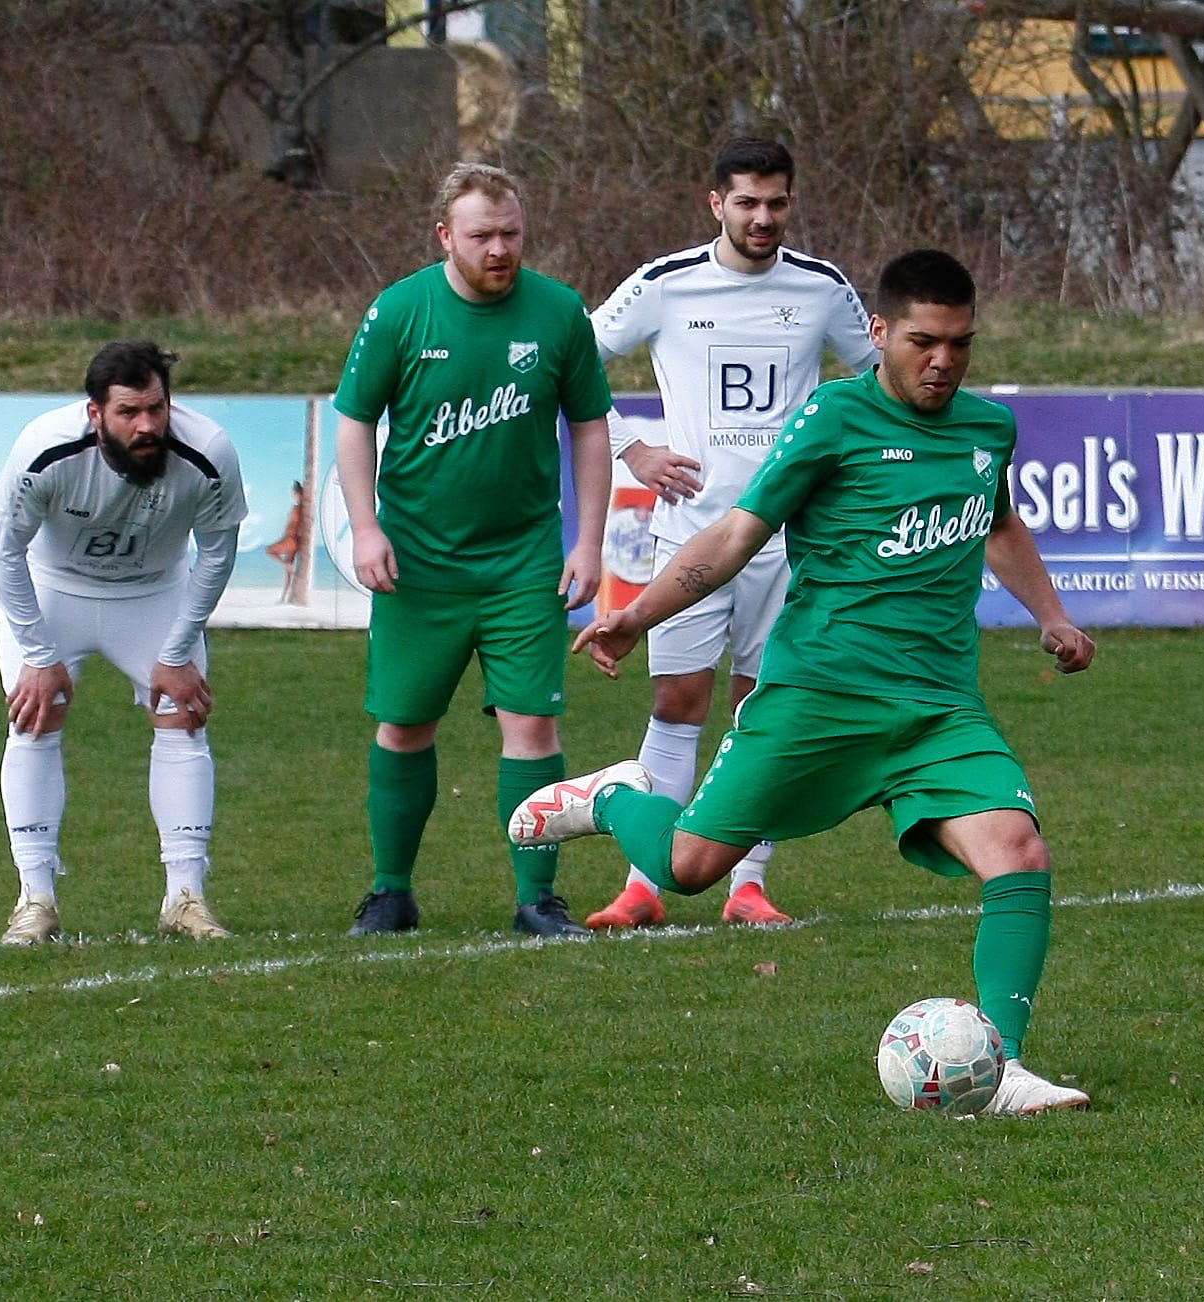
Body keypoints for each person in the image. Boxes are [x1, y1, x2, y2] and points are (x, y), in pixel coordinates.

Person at [511, 250, 1096, 1115]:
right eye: (924, 342)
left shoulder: (985, 428)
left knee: (1019, 853)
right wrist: (636, 616)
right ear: (879, 333)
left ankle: (999, 1064)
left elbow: (998, 520)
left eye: (960, 345)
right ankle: (613, 799)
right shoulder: (834, 417)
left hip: (937, 708)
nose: (942, 362)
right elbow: (734, 536)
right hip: (817, 696)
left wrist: (1050, 613)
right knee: (686, 867)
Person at [584, 136, 877, 931]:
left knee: (763, 712)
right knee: (677, 704)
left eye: (776, 202)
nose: (762, 217)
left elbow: (882, 378)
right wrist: (631, 447)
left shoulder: (821, 288)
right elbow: (570, 358)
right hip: (689, 537)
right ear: (714, 203)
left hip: (790, 543)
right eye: (745, 202)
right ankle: (645, 885)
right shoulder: (665, 284)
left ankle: (747, 884)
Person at [334, 161, 614, 939]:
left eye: (511, 233)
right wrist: (366, 526)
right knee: (404, 725)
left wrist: (586, 541)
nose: (499, 249)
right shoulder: (399, 312)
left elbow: (590, 426)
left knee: (531, 727)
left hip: (522, 562)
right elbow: (354, 419)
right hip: (419, 564)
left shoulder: (558, 312)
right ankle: (391, 891)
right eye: (482, 235)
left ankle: (537, 899)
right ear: (444, 237)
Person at [0, 340, 249, 944]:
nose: (148, 425)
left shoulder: (208, 451)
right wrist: (38, 654)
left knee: (183, 717)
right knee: (34, 718)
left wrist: (178, 650)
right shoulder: (44, 448)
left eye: (156, 408)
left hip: (155, 593)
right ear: (95, 413)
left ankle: (185, 898)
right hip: (56, 590)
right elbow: (3, 552)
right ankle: (36, 901)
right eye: (129, 412)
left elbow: (216, 554)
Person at [265, 480, 305, 602]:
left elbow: (295, 525)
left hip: (291, 539)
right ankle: (284, 597)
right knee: (288, 574)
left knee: (270, 551)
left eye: (295, 493)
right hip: (290, 539)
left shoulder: (299, 508)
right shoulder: (299, 508)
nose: (293, 495)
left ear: (299, 493)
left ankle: (286, 565)